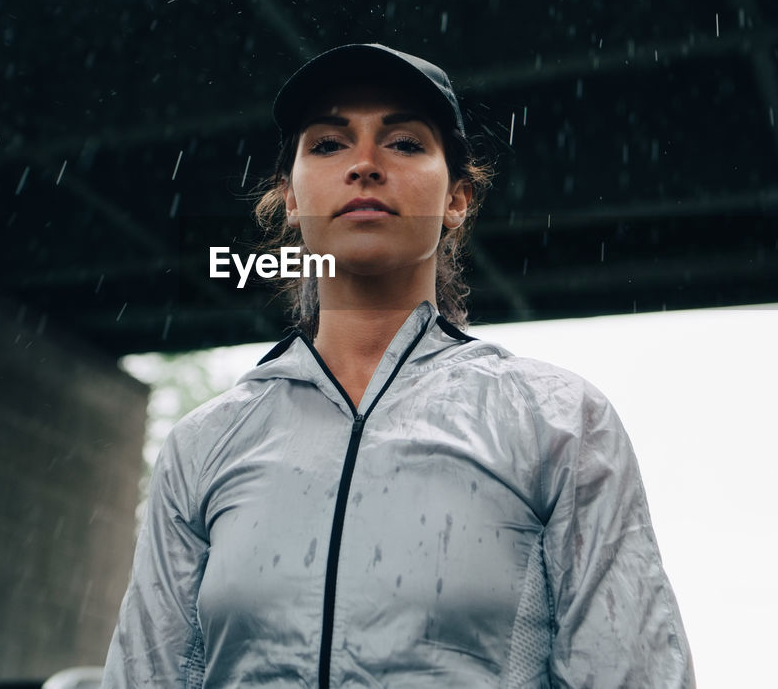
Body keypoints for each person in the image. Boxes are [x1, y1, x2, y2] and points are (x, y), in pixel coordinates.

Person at [101, 44, 695, 688]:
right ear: (290, 199)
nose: (364, 164)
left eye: (405, 142)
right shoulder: (202, 446)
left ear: (458, 200)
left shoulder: (559, 423)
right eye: (328, 144)